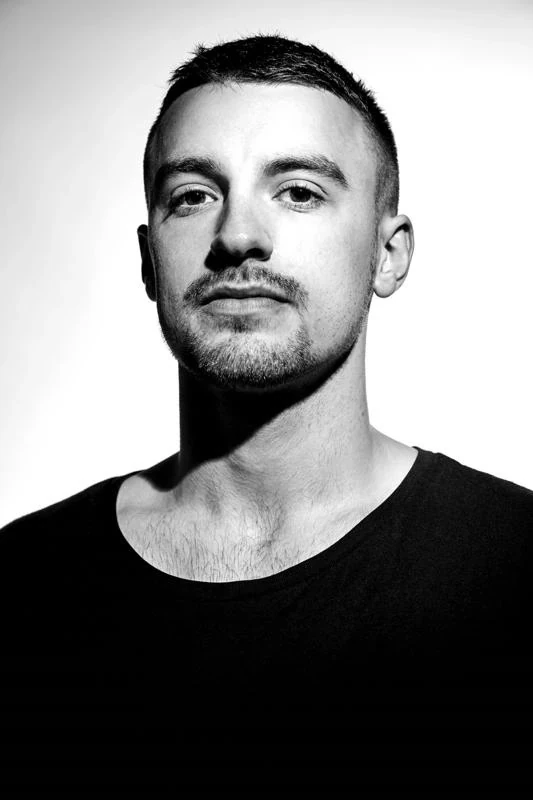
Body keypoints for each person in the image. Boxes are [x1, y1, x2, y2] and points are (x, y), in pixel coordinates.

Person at [1, 34, 531, 790]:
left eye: (299, 191)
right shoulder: (25, 583)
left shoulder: (513, 567)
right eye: (193, 195)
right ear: (149, 261)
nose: (238, 236)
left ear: (387, 254)